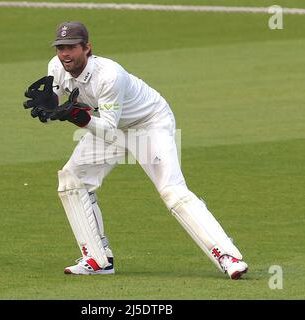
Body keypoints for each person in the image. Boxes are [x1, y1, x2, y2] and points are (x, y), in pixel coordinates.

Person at [23, 21, 248, 279]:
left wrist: (76, 117)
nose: (65, 54)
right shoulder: (56, 67)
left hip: (148, 124)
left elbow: (107, 128)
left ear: (87, 48)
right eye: (60, 47)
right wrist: (50, 110)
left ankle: (228, 256)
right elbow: (56, 106)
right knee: (72, 180)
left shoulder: (109, 75)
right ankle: (97, 259)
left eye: (71, 47)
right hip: (109, 126)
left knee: (172, 191)